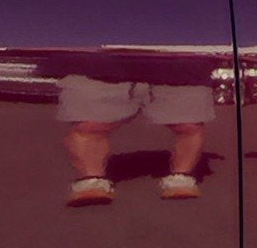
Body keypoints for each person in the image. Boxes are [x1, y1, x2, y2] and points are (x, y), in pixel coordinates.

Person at [54, 71, 214, 204]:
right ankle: (92, 180)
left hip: (177, 56)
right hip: (100, 56)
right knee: (89, 125)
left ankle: (181, 177)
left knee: (189, 124)